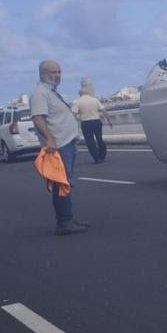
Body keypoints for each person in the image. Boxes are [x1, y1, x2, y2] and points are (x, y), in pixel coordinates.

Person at [30, 60, 88, 235]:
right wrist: (49, 139)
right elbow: (38, 118)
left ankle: (67, 218)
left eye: (59, 72)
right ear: (42, 74)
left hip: (65, 143)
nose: (57, 75)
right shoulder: (40, 93)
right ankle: (64, 223)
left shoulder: (51, 93)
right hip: (59, 145)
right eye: (53, 72)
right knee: (62, 183)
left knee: (65, 183)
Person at [71, 85, 110, 163]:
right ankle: (102, 156)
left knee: (90, 141)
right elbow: (103, 110)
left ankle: (96, 158)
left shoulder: (77, 102)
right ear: (88, 93)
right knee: (99, 139)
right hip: (96, 121)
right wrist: (109, 121)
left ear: (79, 94)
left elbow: (73, 114)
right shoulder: (95, 100)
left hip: (86, 123)